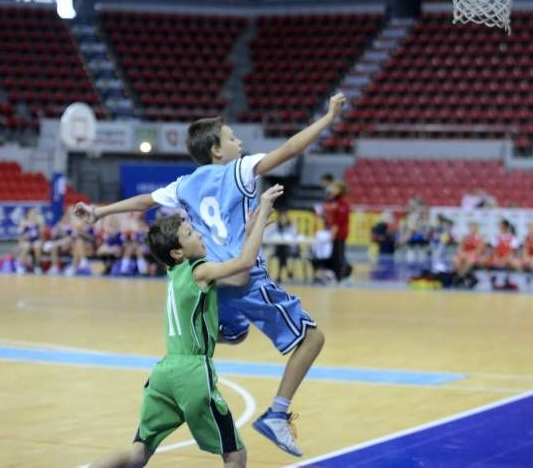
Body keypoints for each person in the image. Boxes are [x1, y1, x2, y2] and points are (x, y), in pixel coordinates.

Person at [76, 93, 346, 456]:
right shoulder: (240, 170)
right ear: (218, 151)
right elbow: (289, 149)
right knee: (312, 340)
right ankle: (278, 414)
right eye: (233, 138)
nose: (240, 143)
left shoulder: (185, 184)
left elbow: (145, 202)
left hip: (214, 283)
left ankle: (198, 343)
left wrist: (99, 212)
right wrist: (327, 118)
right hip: (244, 276)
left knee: (235, 335)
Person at [87, 184, 283, 468]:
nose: (200, 234)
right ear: (178, 252)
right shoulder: (199, 270)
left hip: (163, 374)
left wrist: (224, 336)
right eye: (191, 233)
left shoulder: (174, 273)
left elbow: (199, 325)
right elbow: (244, 266)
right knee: (235, 455)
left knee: (137, 453)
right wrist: (261, 218)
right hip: (192, 374)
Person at [323, 181, 351, 282]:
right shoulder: (335, 202)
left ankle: (341, 277)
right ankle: (339, 275)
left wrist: (332, 234)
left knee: (338, 256)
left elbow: (337, 222)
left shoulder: (342, 204)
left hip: (340, 234)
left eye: (334, 188)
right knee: (336, 255)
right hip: (337, 233)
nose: (331, 190)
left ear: (340, 190)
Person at [265, 210, 301, 284]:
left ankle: (279, 276)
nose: (283, 219)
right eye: (281, 218)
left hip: (290, 249)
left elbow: (294, 237)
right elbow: (267, 234)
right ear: (279, 218)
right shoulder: (275, 226)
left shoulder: (291, 226)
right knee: (282, 252)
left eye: (284, 218)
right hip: (278, 249)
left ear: (287, 218)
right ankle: (288, 273)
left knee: (283, 252)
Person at [16, 207, 44, 275]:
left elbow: (41, 236)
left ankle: (37, 266)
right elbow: (20, 236)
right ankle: (20, 265)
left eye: (34, 214)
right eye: (31, 214)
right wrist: (21, 241)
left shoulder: (38, 223)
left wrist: (41, 240)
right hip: (25, 241)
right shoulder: (23, 223)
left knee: (37, 245)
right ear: (28, 214)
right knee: (26, 245)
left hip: (35, 241)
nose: (33, 215)